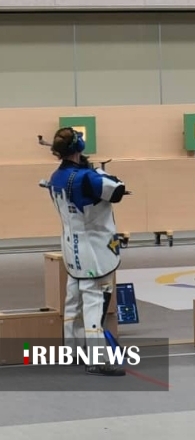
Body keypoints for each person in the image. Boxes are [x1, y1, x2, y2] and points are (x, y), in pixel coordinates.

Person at [46, 127, 127, 376]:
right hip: (94, 250)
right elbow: (117, 190)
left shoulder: (56, 177)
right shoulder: (87, 177)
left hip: (72, 248)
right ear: (78, 148)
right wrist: (98, 171)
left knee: (73, 300)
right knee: (94, 301)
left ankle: (72, 351)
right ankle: (98, 359)